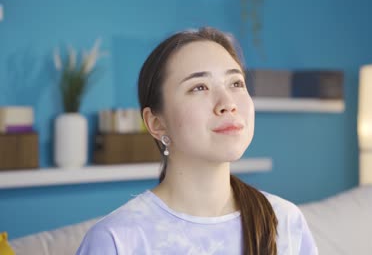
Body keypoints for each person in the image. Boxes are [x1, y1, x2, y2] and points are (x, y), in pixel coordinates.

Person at [76, 27, 318, 255]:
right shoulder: (115, 241)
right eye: (199, 87)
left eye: (236, 83)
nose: (228, 104)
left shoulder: (285, 223)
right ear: (156, 123)